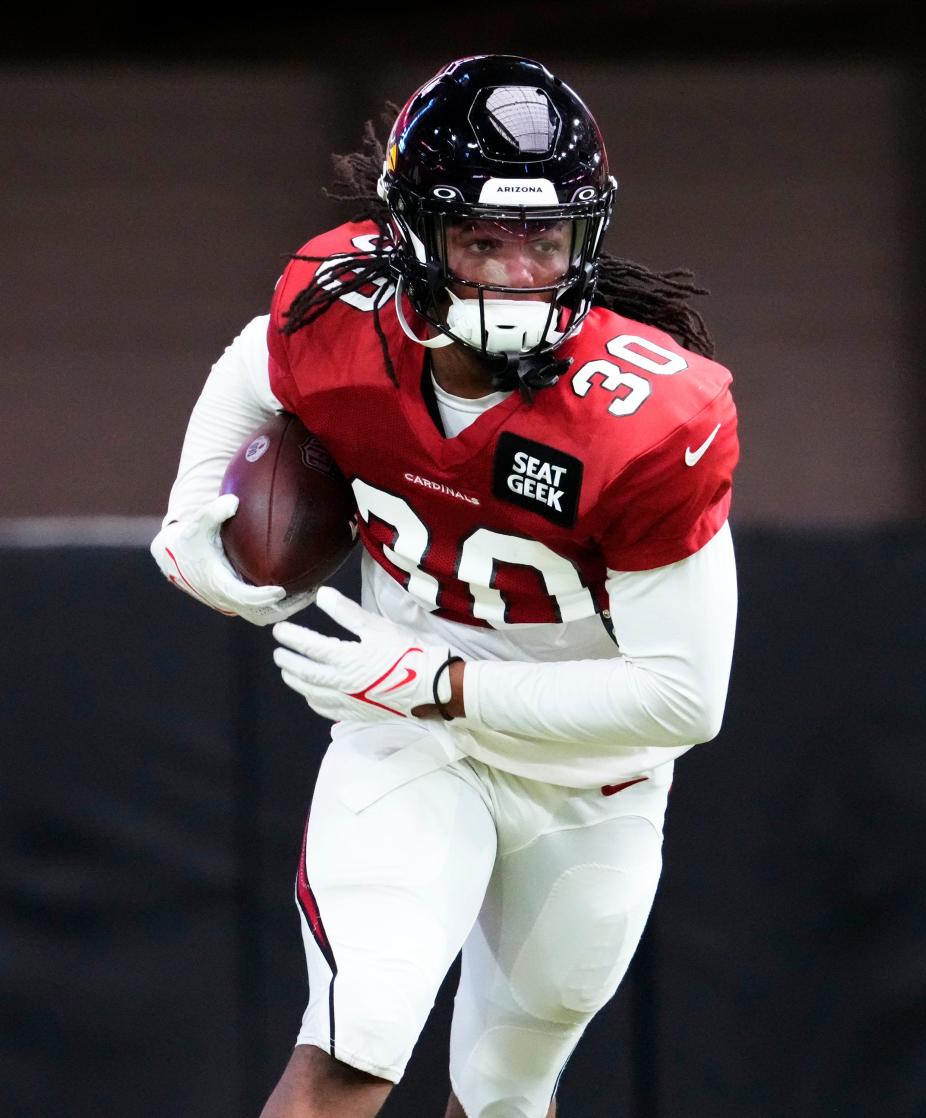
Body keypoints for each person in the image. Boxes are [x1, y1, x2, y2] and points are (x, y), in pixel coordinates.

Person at [150, 54, 738, 1118]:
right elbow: (257, 359)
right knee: (351, 1043)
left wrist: (441, 679)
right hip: (409, 737)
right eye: (482, 239)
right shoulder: (341, 314)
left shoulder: (651, 419)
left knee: (504, 1093)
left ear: (585, 238)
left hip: (589, 780)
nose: (518, 273)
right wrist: (194, 508)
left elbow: (685, 699)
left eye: (544, 240)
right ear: (415, 238)